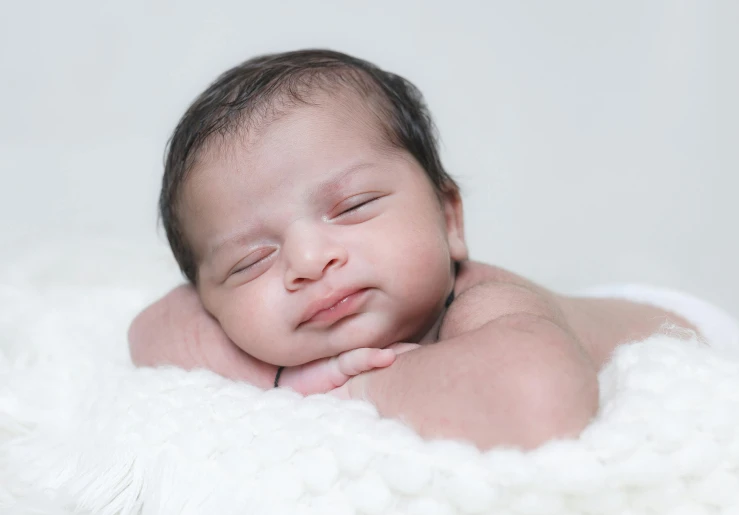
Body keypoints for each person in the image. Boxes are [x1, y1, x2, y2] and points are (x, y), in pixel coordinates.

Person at [128, 49, 738, 450]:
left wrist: (344, 389)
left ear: (449, 219)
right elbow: (152, 331)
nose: (309, 262)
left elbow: (536, 405)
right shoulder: (223, 311)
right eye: (249, 261)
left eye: (352, 207)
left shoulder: (481, 302)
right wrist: (290, 373)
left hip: (687, 325)